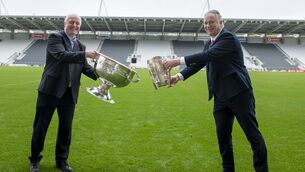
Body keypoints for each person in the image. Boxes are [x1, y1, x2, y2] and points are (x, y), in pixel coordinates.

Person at [163, 10, 268, 172]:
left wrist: (177, 60)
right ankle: (227, 169)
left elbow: (209, 56)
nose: (207, 25)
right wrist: (179, 75)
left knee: (253, 136)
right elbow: (198, 64)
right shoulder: (208, 43)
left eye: (211, 22)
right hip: (220, 97)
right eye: (205, 23)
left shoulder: (228, 38)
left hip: (239, 94)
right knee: (223, 138)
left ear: (221, 23)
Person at [29, 14, 100, 172]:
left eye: (77, 23)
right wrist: (86, 54)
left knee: (65, 129)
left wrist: (103, 74)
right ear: (65, 23)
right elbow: (61, 56)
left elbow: (84, 68)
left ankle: (61, 160)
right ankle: (34, 160)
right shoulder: (56, 37)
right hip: (50, 91)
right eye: (71, 22)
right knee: (41, 127)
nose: (74, 25)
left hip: (69, 94)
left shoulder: (80, 45)